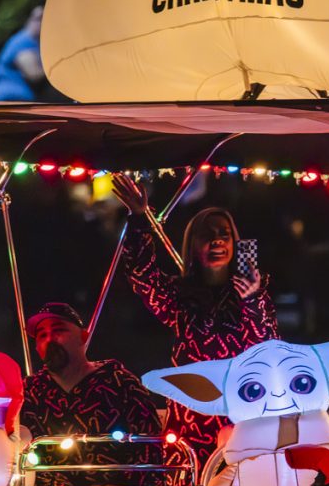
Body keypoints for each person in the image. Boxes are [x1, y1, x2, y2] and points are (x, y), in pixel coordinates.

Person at [112, 174, 278, 466]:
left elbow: (267, 343)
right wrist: (139, 217)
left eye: (224, 233)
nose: (216, 239)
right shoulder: (178, 296)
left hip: (241, 425)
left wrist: (252, 298)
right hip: (189, 428)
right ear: (193, 244)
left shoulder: (254, 293)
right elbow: (141, 275)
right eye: (207, 234)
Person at [21, 302, 164, 486]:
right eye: (42, 335)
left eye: (59, 330)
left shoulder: (119, 382)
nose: (50, 339)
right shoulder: (30, 391)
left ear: (83, 336)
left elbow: (150, 447)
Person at [0, 6, 45, 101]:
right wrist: (56, 68)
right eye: (38, 19)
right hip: (11, 100)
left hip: (16, 100)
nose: (41, 23)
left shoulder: (34, 42)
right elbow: (33, 74)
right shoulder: (24, 41)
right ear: (29, 20)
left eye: (45, 19)